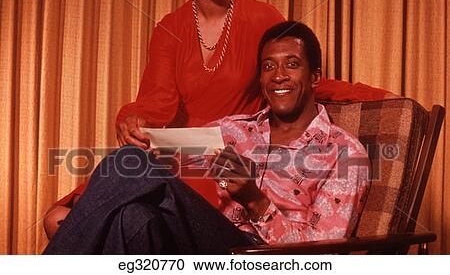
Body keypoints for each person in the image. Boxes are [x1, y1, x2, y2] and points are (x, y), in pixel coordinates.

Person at [44, 0, 388, 239]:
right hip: (195, 146)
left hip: (225, 172)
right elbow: (158, 104)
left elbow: (293, 72)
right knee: (88, 216)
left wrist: (375, 96)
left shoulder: (263, 19)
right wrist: (133, 120)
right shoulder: (171, 31)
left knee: (118, 212)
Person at [43, 21, 370, 254]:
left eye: (292, 64)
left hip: (264, 260)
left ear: (314, 77)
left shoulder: (343, 153)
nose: (279, 76)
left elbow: (321, 256)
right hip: (214, 248)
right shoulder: (237, 132)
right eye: (269, 66)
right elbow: (159, 146)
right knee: (134, 215)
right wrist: (136, 127)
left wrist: (256, 201)